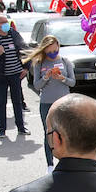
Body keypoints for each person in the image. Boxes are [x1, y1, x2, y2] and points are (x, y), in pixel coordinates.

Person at [25, 35, 76, 167]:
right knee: (49, 135)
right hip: (47, 104)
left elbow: (72, 82)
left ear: (58, 46)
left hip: (64, 104)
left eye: (55, 50)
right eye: (50, 52)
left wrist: (62, 78)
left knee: (65, 133)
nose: (53, 54)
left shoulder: (65, 61)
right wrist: (46, 77)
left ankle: (66, 163)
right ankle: (50, 165)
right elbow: (36, 85)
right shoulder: (39, 63)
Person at [0, 12, 29, 137]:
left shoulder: (14, 34)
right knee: (1, 103)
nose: (5, 24)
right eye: (2, 22)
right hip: (1, 76)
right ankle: (2, 130)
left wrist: (26, 68)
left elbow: (25, 50)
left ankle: (21, 127)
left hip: (15, 74)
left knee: (17, 101)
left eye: (6, 22)